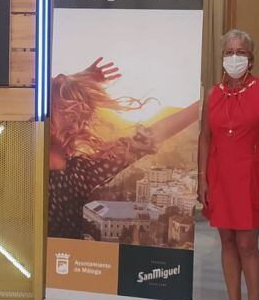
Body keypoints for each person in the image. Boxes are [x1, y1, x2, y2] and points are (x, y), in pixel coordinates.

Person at [48, 58, 199, 239]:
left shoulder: (27, 157)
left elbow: (153, 135)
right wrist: (80, 79)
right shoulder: (78, 174)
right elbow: (151, 137)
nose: (78, 124)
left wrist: (78, 80)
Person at [198, 29, 259, 300]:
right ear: (221, 57)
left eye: (242, 52)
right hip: (220, 177)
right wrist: (202, 178)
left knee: (247, 245)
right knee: (227, 243)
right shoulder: (212, 94)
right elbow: (205, 138)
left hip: (252, 177)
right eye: (230, 52)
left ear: (251, 58)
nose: (235, 57)